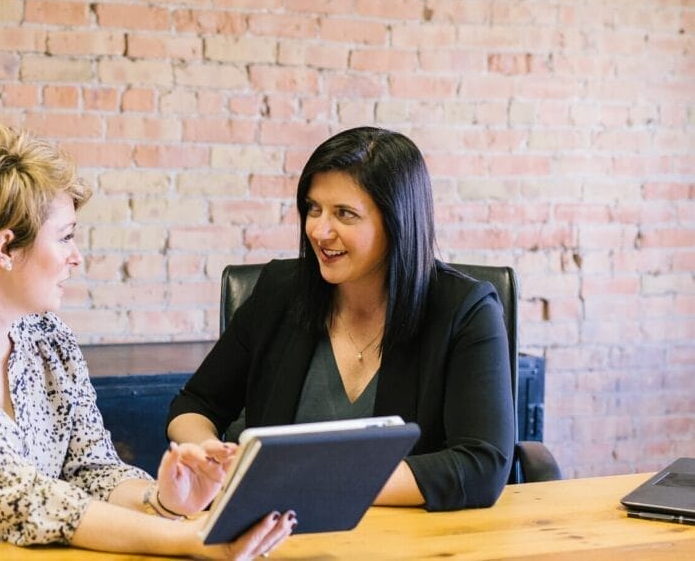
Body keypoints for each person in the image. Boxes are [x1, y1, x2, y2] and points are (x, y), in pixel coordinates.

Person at [0, 122, 294, 558]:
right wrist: (190, 539)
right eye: (64, 237)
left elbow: (91, 469)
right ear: (5, 248)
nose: (76, 257)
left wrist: (163, 500)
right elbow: (21, 498)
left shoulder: (48, 337)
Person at [167, 126, 516, 511]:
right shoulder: (280, 291)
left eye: (344, 214)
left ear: (397, 221)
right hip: (274, 535)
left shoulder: (465, 310)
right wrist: (208, 457)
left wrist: (311, 483)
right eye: (314, 209)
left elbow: (482, 465)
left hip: (408, 541)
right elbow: (195, 404)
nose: (319, 230)